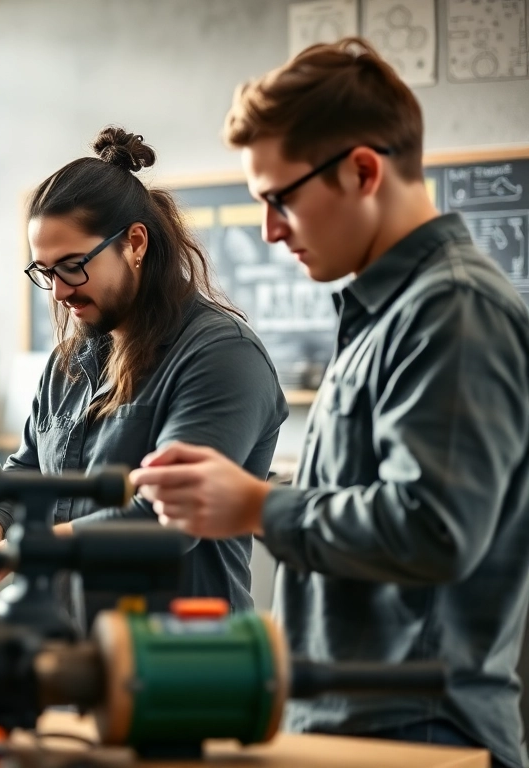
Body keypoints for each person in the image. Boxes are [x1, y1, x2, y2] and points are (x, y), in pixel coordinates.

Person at [128, 39, 529, 768]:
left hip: (423, 735)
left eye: (280, 198)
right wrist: (239, 496)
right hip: (353, 725)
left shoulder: (453, 311)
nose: (269, 231)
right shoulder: (387, 312)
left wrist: (253, 508)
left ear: (363, 170)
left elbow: (436, 528)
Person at [0, 128, 287, 613]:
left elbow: (164, 520)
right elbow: (25, 470)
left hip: (180, 660)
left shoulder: (221, 356)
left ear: (134, 243)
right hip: (79, 653)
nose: (59, 292)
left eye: (72, 265)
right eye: (45, 272)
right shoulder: (68, 362)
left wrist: (32, 548)